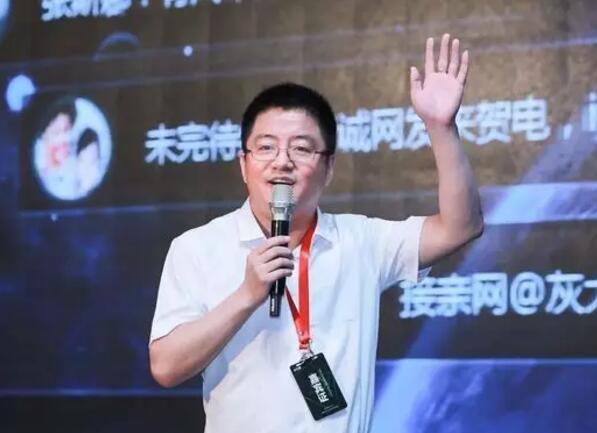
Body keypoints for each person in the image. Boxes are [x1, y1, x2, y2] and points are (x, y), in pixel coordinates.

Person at [149, 33, 483, 433]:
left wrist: (441, 129)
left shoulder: (361, 242)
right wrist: (246, 296)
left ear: (328, 168)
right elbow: (166, 367)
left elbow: (461, 227)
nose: (282, 162)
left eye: (302, 149)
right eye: (266, 148)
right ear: (243, 164)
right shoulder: (197, 247)